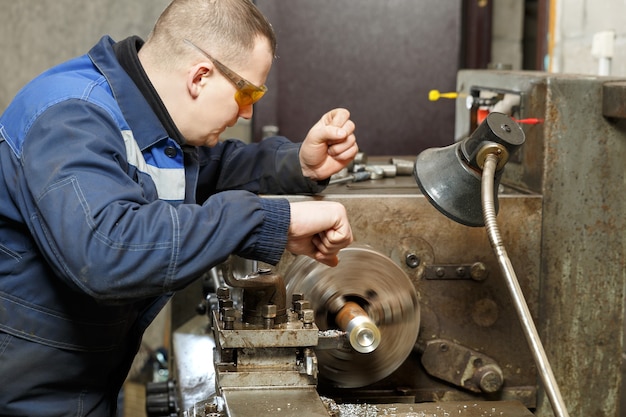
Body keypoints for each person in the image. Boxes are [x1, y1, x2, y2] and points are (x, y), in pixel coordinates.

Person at [0, 0, 358, 415]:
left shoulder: (141, 114)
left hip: (79, 378)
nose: (248, 111)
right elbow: (108, 251)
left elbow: (205, 170)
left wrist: (297, 163)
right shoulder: (71, 119)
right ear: (200, 76)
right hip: (26, 394)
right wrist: (270, 221)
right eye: (247, 92)